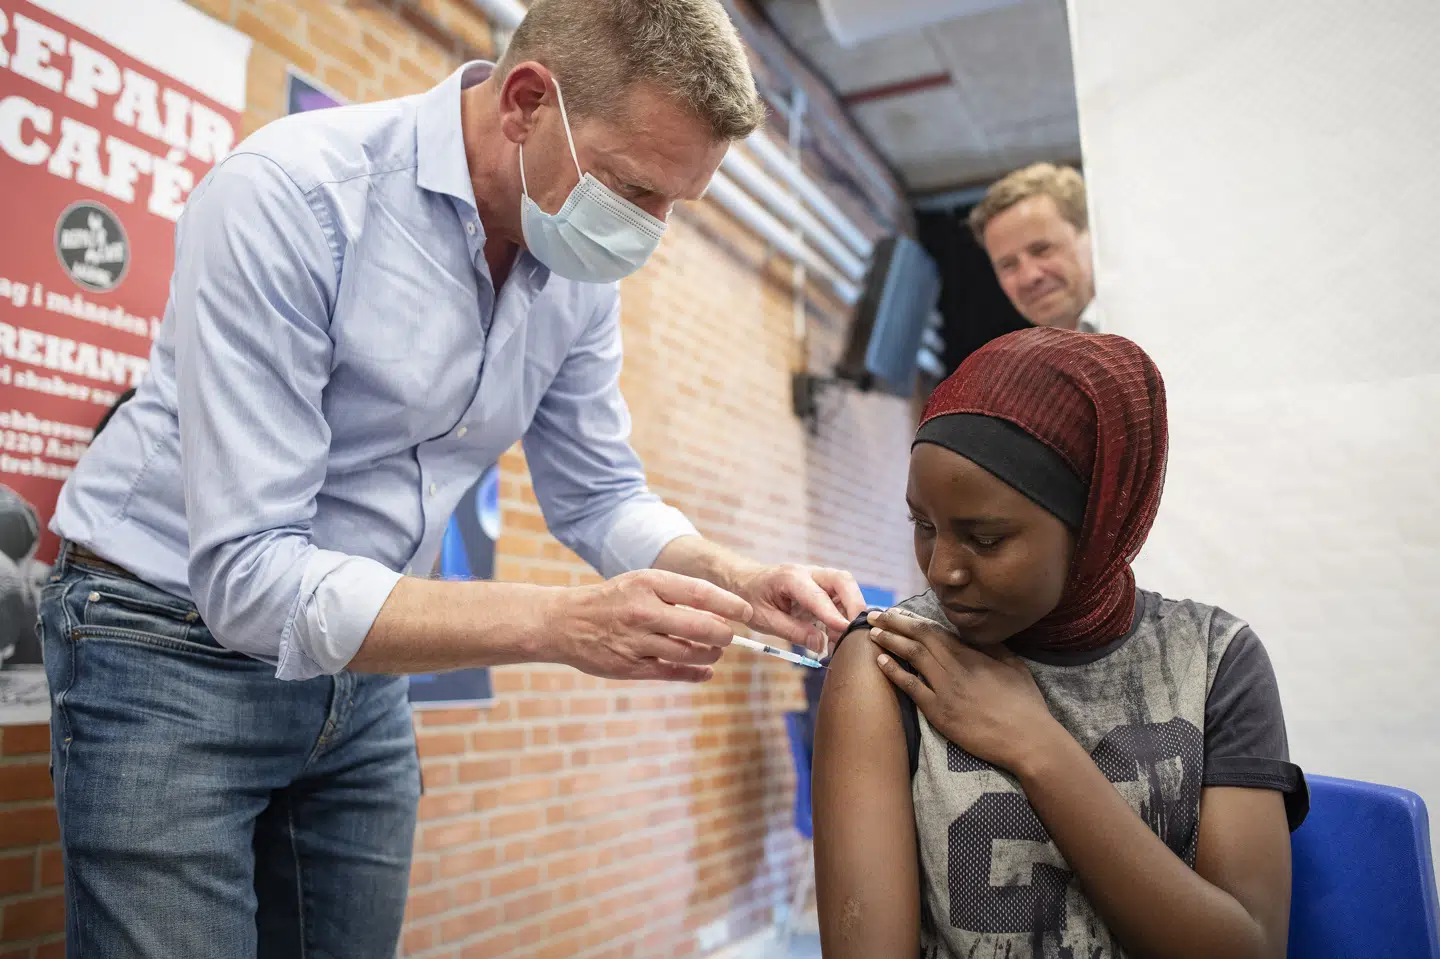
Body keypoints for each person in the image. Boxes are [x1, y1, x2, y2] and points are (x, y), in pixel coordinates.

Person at [39, 1, 865, 955]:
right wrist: (561, 625)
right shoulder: (292, 195)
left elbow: (599, 492)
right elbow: (251, 576)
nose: (650, 234)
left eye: (675, 204)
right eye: (636, 191)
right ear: (524, 103)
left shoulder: (576, 269)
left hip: (360, 668)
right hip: (164, 635)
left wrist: (738, 578)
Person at [811, 328, 1307, 958]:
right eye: (924, 525)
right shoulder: (890, 659)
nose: (941, 571)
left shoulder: (1212, 660)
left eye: (986, 538)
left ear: (1097, 523)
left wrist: (1038, 748)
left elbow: (1250, 950)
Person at [969, 163, 1101, 332]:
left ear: (1090, 237)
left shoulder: (1140, 324)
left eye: (1042, 250)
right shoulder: (1033, 357)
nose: (1029, 277)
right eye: (1008, 265)